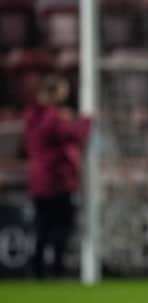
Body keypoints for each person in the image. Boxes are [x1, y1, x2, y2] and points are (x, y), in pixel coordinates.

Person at [23, 75, 91, 278]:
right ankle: (56, 270)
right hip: (57, 180)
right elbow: (75, 135)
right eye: (62, 91)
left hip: (38, 180)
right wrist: (87, 121)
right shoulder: (53, 116)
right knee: (61, 227)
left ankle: (38, 270)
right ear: (54, 93)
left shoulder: (31, 115)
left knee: (42, 227)